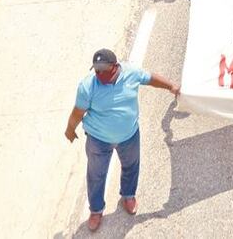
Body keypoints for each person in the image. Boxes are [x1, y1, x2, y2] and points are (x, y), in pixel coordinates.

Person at [65, 49, 180, 230]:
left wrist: (171, 86)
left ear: (115, 67)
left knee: (131, 166)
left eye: (103, 70)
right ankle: (96, 210)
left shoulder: (131, 74)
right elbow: (77, 112)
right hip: (98, 140)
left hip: (129, 136)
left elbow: (150, 78)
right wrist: (70, 129)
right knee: (96, 175)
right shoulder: (87, 86)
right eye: (96, 70)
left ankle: (128, 195)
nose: (99, 74)